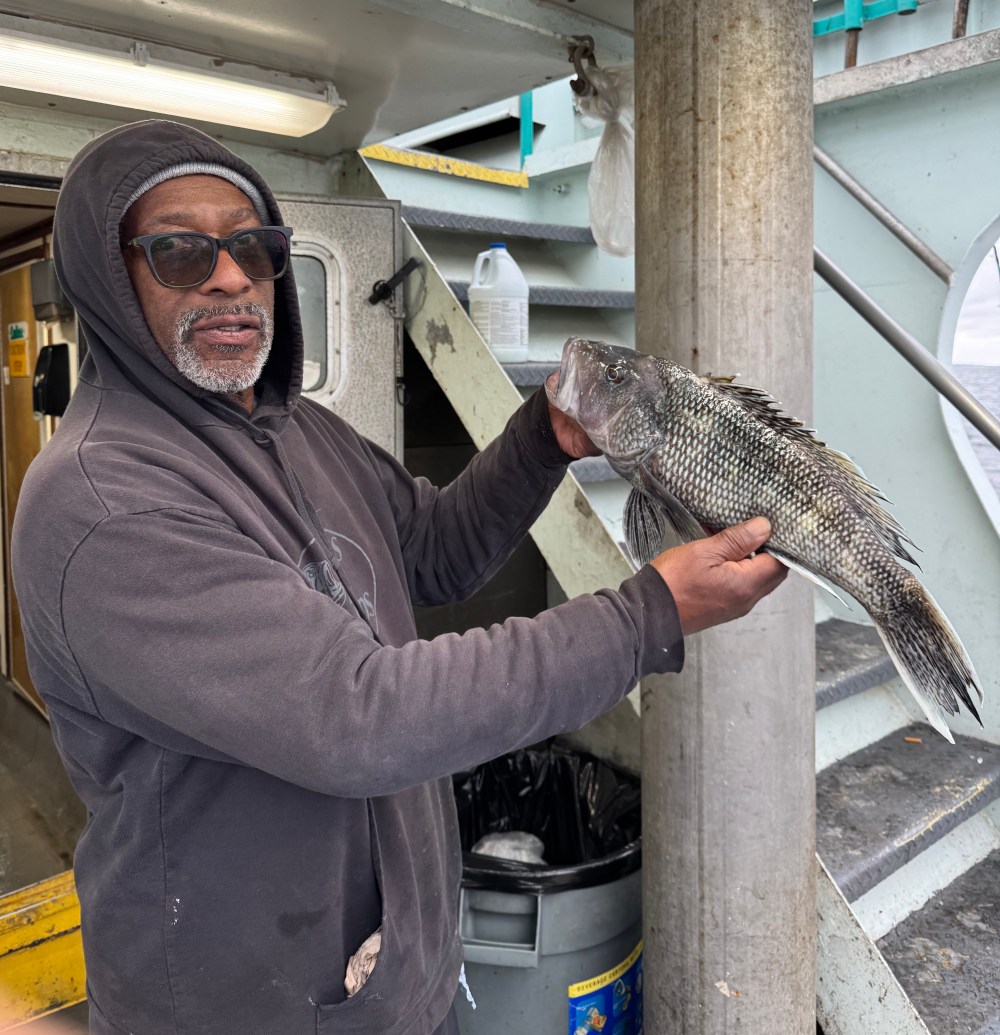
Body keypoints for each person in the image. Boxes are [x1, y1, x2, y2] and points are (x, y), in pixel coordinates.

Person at [11, 120, 786, 1035]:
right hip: (242, 1006)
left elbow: (434, 548)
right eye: (180, 251)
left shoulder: (299, 427)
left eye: (254, 248)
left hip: (391, 980)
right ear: (109, 277)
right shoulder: (105, 499)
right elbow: (361, 715)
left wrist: (545, 439)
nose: (230, 277)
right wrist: (642, 616)